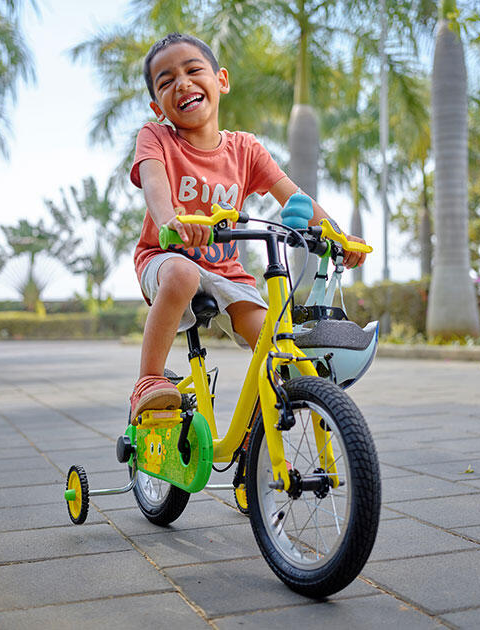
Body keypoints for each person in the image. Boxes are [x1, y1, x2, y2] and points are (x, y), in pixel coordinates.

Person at [129, 32, 367, 418]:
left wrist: (337, 237)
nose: (182, 83)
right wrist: (170, 219)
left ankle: (257, 445)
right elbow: (155, 184)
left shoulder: (245, 149)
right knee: (183, 274)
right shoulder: (156, 136)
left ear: (221, 80)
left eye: (192, 70)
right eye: (167, 80)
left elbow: (296, 198)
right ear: (158, 105)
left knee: (275, 345)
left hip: (227, 272)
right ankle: (149, 381)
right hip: (165, 257)